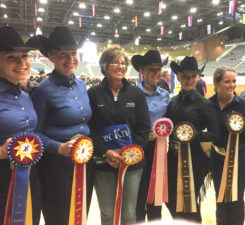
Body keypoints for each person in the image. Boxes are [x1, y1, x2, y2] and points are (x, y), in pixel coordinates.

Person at [30, 26, 93, 225]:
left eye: (73, 54)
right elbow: (34, 134)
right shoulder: (43, 90)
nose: (71, 59)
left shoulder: (82, 85)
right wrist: (58, 148)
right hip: (56, 165)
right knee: (59, 217)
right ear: (51, 57)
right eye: (63, 55)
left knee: (80, 213)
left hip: (84, 159)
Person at [88, 45, 150, 225]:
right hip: (104, 162)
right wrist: (106, 152)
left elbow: (144, 128)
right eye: (115, 62)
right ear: (105, 66)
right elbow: (90, 129)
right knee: (107, 213)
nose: (120, 66)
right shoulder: (93, 93)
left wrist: (129, 153)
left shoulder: (136, 93)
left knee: (129, 214)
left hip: (131, 163)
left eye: (123, 63)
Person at [166, 56, 220, 222]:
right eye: (185, 76)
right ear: (178, 77)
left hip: (195, 160)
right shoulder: (173, 102)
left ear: (197, 77)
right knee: (171, 200)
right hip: (172, 159)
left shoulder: (205, 104)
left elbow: (215, 133)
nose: (189, 80)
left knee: (190, 204)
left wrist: (194, 135)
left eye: (192, 77)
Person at [0, 25, 43, 225]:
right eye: (11, 57)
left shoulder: (25, 95)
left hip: (28, 174)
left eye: (24, 56)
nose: (21, 63)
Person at [209, 67, 245, 225]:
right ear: (216, 83)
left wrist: (240, 128)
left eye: (234, 81)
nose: (231, 85)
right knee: (220, 196)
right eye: (227, 81)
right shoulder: (209, 104)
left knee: (236, 197)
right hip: (217, 157)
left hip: (240, 158)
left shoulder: (244, 105)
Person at [131, 50, 170, 222]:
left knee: (155, 197)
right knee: (137, 196)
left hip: (158, 150)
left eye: (158, 69)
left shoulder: (165, 96)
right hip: (137, 147)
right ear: (142, 71)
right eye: (151, 69)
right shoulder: (132, 94)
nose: (156, 73)